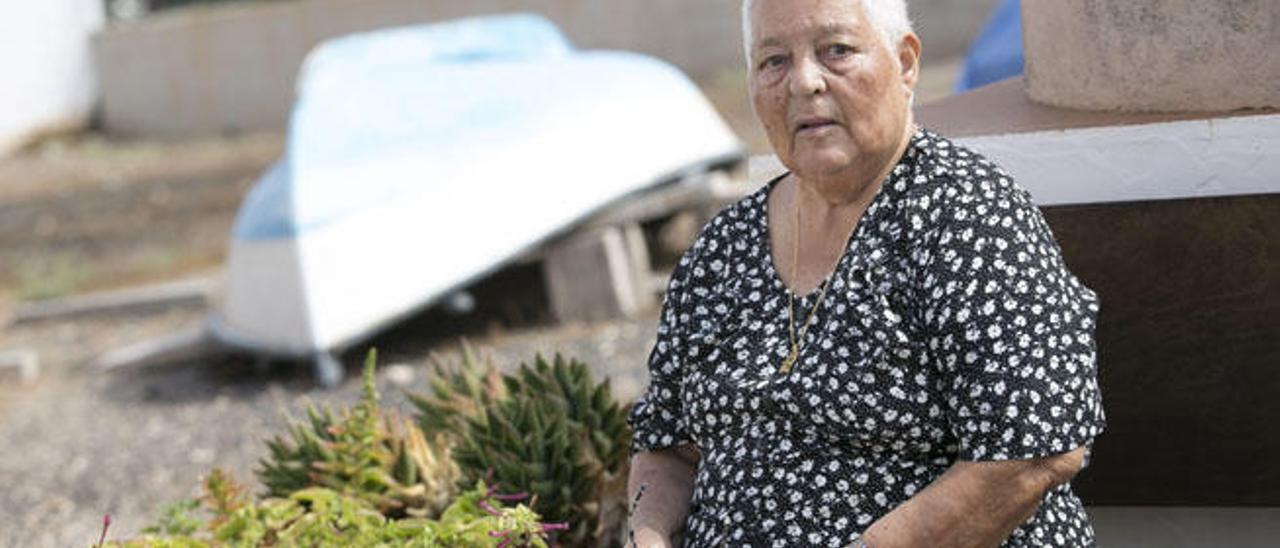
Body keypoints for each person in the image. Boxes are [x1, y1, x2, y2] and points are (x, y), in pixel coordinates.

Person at [625, 0, 1106, 546]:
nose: (804, 82)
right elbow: (666, 444)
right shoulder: (722, 248)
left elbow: (1031, 453)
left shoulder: (966, 217)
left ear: (904, 64)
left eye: (837, 51)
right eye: (773, 61)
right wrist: (648, 535)